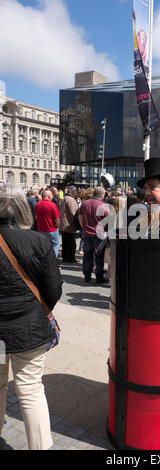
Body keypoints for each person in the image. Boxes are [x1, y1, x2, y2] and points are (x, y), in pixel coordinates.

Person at [0, 184, 63, 450]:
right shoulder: (38, 241)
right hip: (30, 328)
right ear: (24, 209)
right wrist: (38, 310)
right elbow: (54, 288)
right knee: (31, 391)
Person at [79, 186, 109, 283]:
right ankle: (99, 276)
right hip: (98, 235)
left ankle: (87, 276)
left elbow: (80, 217)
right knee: (99, 257)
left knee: (87, 255)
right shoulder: (103, 205)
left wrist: (84, 227)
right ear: (101, 195)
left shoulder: (84, 204)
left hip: (86, 234)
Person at [34, 190, 60, 257]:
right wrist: (57, 226)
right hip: (52, 229)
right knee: (55, 245)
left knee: (43, 247)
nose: (52, 197)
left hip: (41, 229)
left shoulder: (37, 204)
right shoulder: (53, 205)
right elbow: (57, 219)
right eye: (51, 195)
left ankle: (44, 262)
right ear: (48, 196)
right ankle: (52, 262)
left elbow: (36, 217)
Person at [59, 185, 79, 263]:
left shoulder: (63, 199)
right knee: (71, 243)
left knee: (65, 242)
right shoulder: (70, 200)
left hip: (63, 225)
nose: (76, 192)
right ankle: (71, 258)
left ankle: (65, 257)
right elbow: (73, 213)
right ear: (73, 191)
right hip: (69, 225)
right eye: (75, 191)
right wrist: (76, 224)